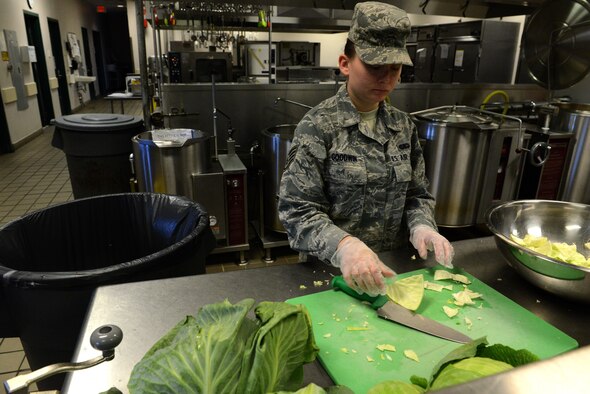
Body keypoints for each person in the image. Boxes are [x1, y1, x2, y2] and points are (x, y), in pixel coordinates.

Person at [278, 1, 454, 297]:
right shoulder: (318, 127)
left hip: (394, 274)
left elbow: (417, 195)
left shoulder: (403, 127)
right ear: (345, 63)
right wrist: (345, 247)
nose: (386, 78)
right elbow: (297, 211)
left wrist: (422, 226)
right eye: (374, 66)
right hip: (333, 276)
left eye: (395, 68)